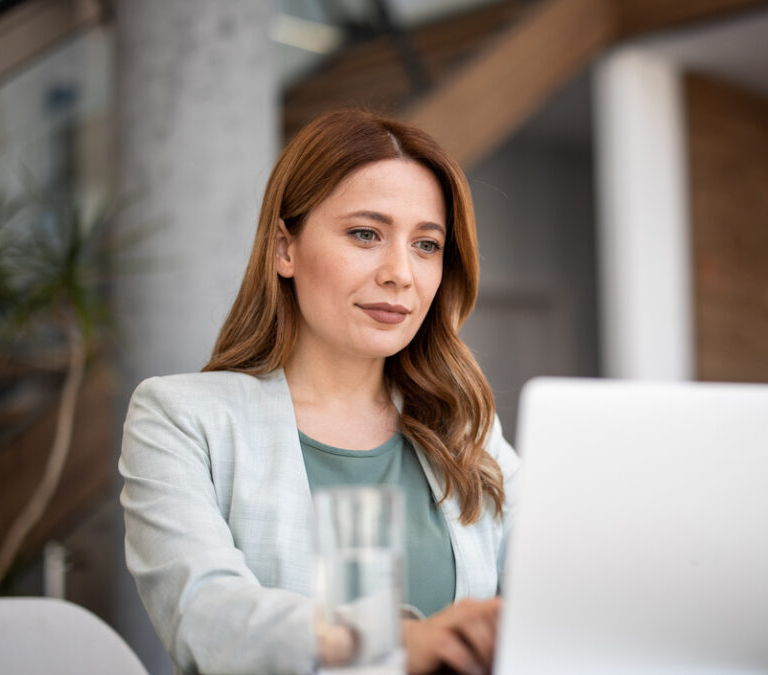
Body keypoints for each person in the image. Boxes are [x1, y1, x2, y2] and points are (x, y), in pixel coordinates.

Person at [119, 109, 521, 675]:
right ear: (284, 248)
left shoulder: (464, 428)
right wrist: (396, 643)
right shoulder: (181, 418)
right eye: (365, 234)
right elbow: (204, 613)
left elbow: (557, 580)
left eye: (427, 245)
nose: (400, 273)